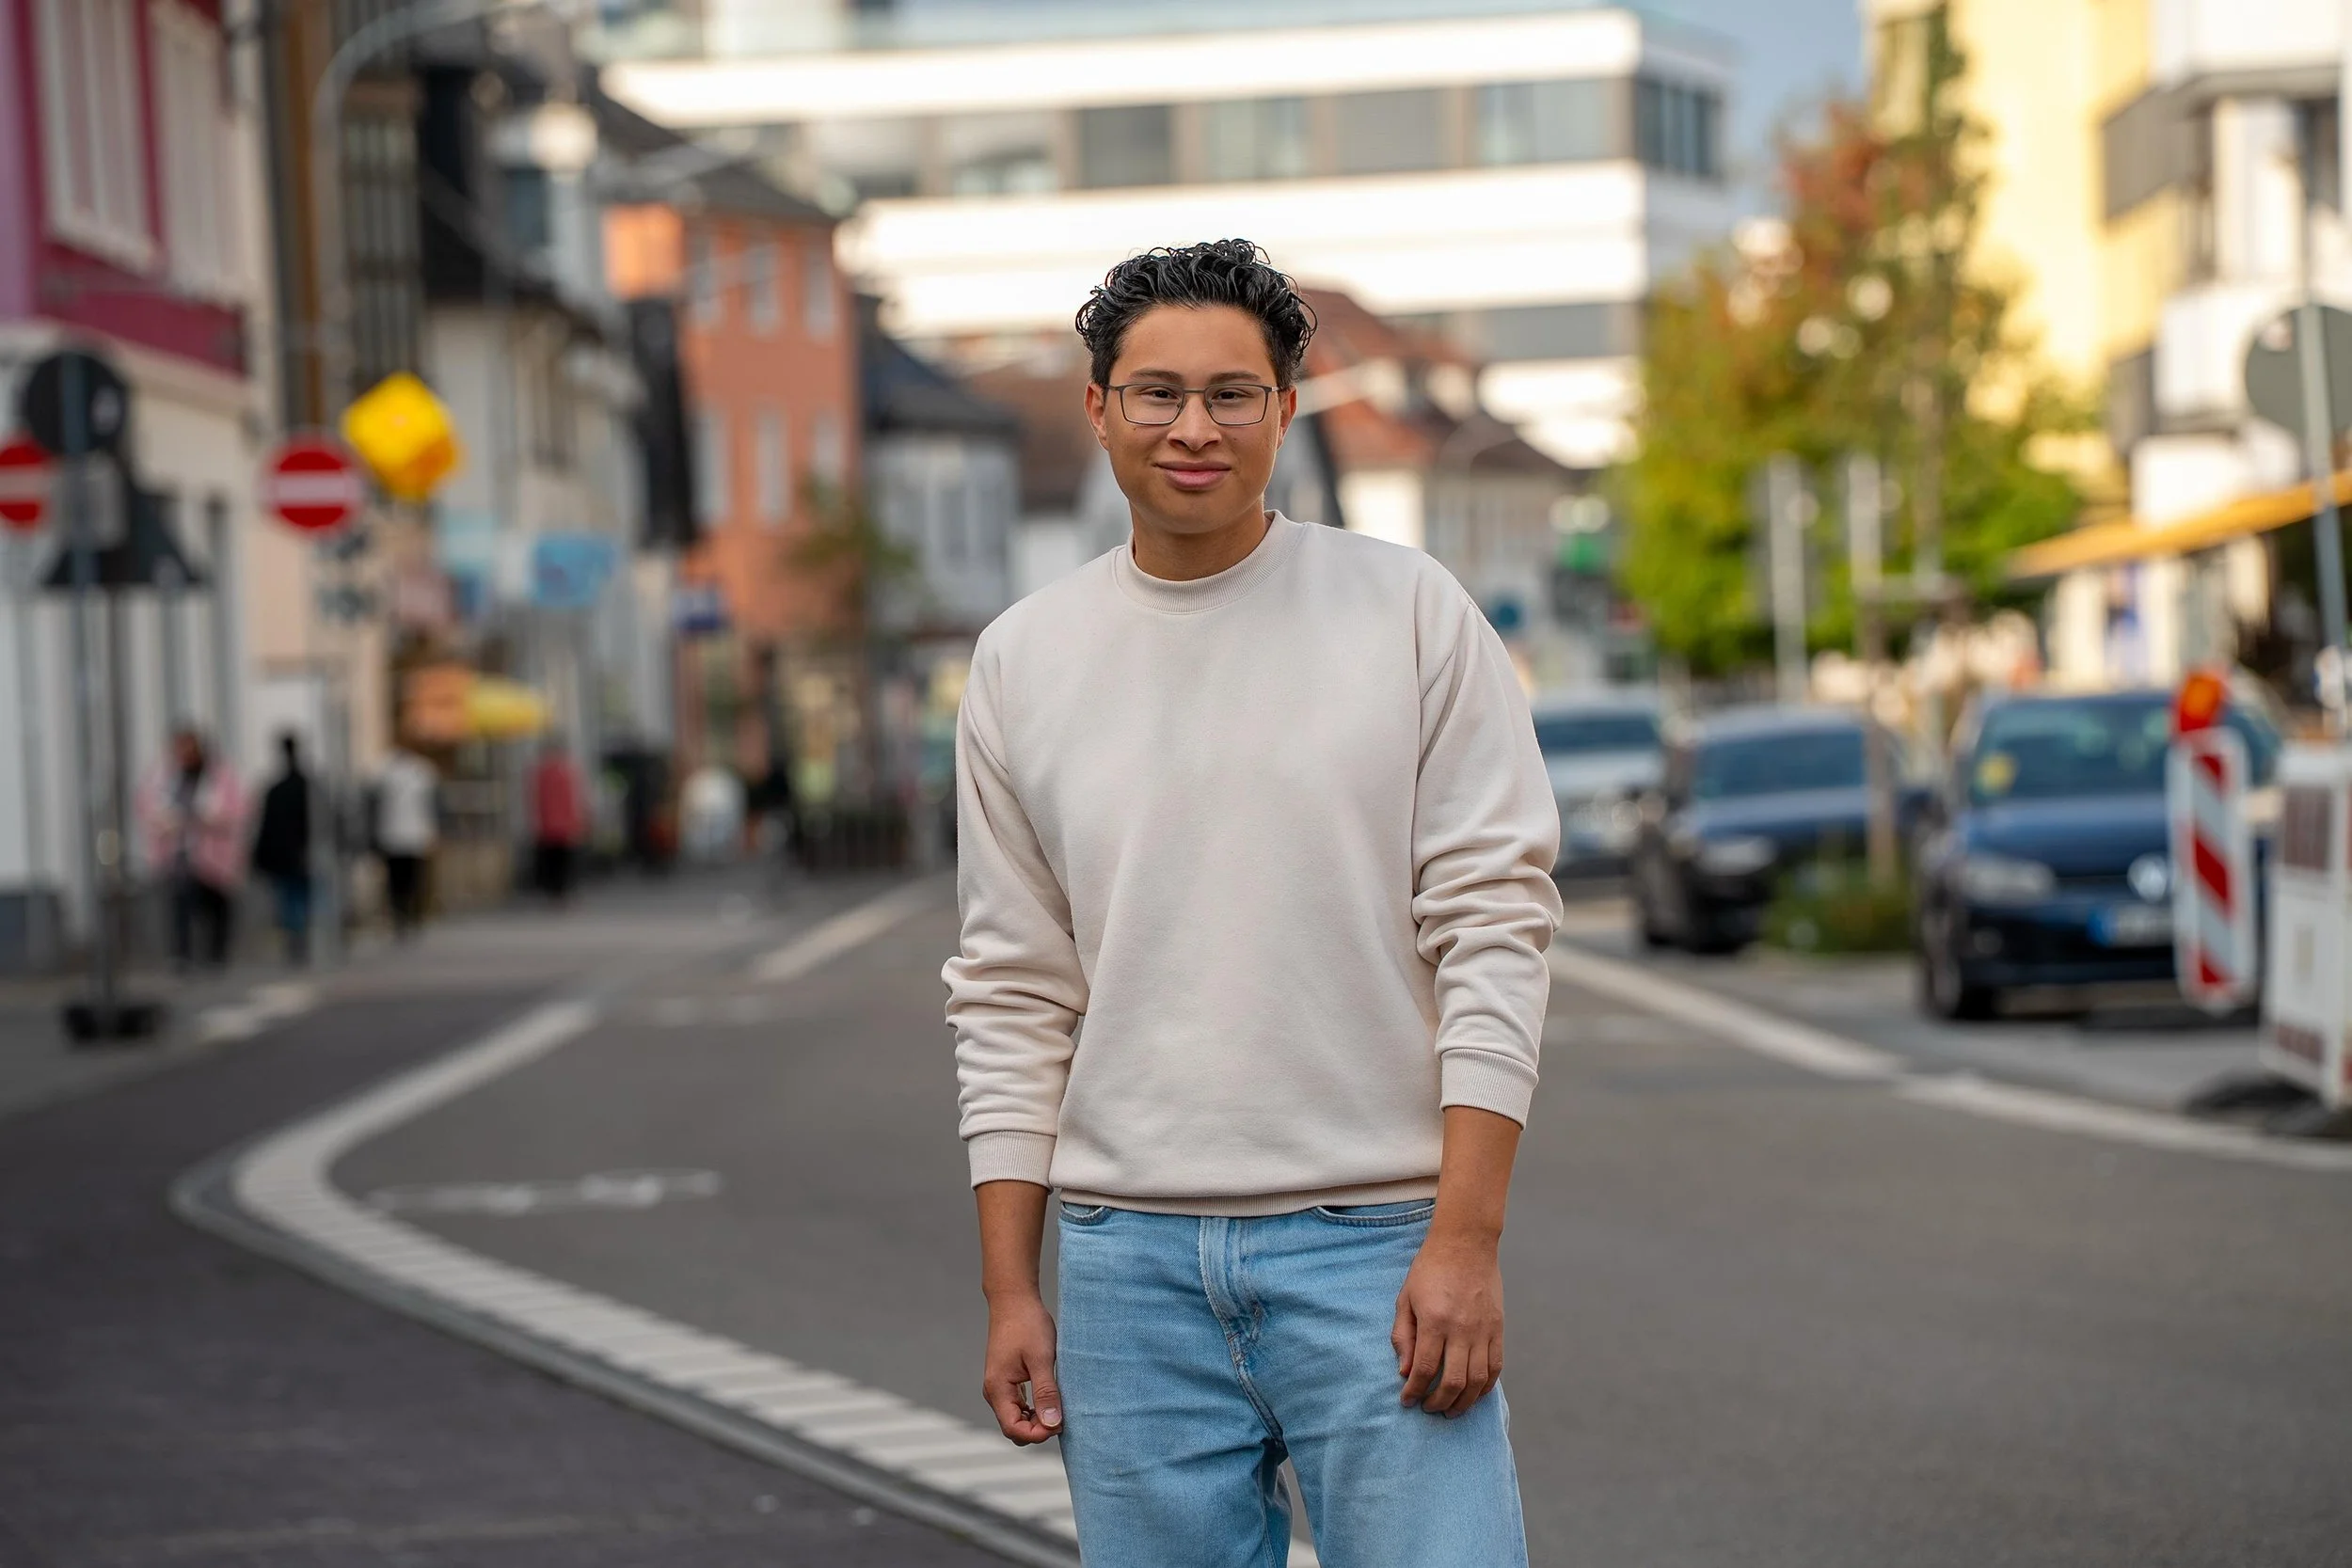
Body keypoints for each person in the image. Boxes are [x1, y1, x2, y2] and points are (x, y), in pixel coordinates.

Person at [944, 241, 1563, 1566]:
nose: (1193, 426)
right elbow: (1011, 990)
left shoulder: (1408, 612)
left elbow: (1495, 931)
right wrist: (1014, 1284)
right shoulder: (1022, 662)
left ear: (1287, 409)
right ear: (1097, 404)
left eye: (1233, 393)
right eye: (1156, 392)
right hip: (1127, 1270)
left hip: (1381, 1243)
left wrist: (1467, 1234)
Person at [136, 726, 248, 973]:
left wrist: (209, 819)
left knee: (215, 905)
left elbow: (236, 811)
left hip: (214, 855)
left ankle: (215, 954)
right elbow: (148, 806)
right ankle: (182, 954)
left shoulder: (219, 776)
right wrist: (165, 821)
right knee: (181, 902)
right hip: (180, 854)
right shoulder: (166, 777)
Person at [248, 732, 314, 966]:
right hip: (298, 852)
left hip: (287, 853)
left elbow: (266, 826)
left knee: (289, 898)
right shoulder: (306, 786)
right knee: (297, 897)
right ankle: (298, 936)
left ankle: (295, 937)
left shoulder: (279, 789)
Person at [374, 744, 438, 941]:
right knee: (413, 880)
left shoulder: (385, 772)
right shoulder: (422, 772)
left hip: (392, 836)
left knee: (397, 882)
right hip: (414, 837)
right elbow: (432, 805)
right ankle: (411, 916)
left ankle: (401, 917)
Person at [530, 738, 586, 903]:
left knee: (557, 861)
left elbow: (571, 800)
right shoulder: (562, 773)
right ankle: (558, 890)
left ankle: (558, 890)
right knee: (558, 861)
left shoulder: (549, 774)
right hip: (556, 826)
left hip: (556, 826)